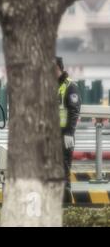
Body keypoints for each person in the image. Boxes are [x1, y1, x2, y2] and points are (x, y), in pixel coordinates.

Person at [56, 57, 81, 203]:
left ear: (58, 68)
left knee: (63, 172)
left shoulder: (70, 86)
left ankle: (66, 208)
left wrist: (69, 133)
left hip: (65, 135)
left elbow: (74, 110)